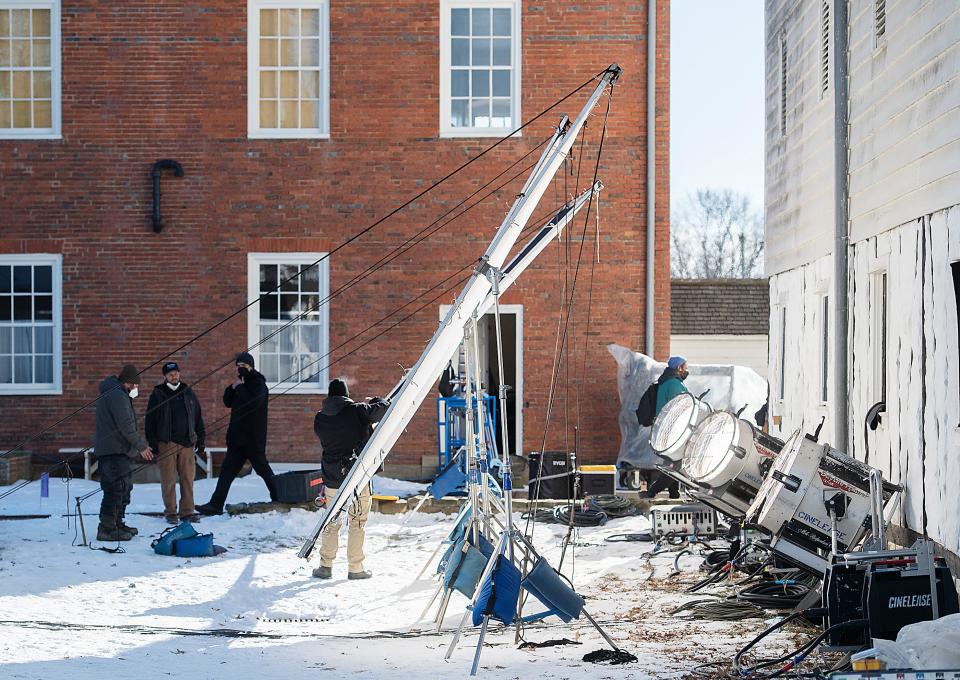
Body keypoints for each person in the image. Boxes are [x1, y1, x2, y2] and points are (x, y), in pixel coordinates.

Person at [311, 378, 389, 580]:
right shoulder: (357, 410)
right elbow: (384, 408)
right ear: (346, 394)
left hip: (332, 478)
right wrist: (375, 400)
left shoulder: (320, 418)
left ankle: (325, 566)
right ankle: (355, 568)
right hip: (357, 476)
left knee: (331, 521)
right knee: (358, 520)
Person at [197, 353, 276, 515]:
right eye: (238, 365)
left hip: (253, 439)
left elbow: (254, 402)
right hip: (237, 439)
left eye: (244, 365)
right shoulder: (239, 383)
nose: (241, 368)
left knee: (263, 470)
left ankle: (280, 497)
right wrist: (232, 387)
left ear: (251, 366)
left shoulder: (258, 383)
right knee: (226, 473)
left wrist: (239, 387)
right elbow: (227, 401)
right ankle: (215, 504)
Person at [95, 364, 154, 541]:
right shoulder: (117, 396)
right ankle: (106, 529)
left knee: (124, 489)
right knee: (115, 489)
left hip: (119, 451)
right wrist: (141, 446)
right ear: (129, 382)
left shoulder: (117, 393)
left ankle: (117, 524)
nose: (136, 389)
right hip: (113, 452)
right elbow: (126, 425)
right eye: (135, 385)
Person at [145, 361, 206, 524]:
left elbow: (198, 416)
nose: (174, 375)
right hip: (166, 443)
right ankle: (170, 512)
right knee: (168, 480)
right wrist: (152, 442)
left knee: (188, 479)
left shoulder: (188, 391)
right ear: (165, 376)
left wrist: (201, 438)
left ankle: (187, 512)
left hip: (187, 443)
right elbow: (150, 420)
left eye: (176, 372)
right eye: (170, 373)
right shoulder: (158, 393)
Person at [643, 355, 690, 499]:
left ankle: (674, 493)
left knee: (672, 461)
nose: (687, 370)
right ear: (679, 368)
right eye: (685, 367)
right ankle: (653, 491)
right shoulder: (675, 385)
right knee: (677, 464)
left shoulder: (665, 382)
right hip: (673, 430)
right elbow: (683, 409)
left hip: (664, 429)